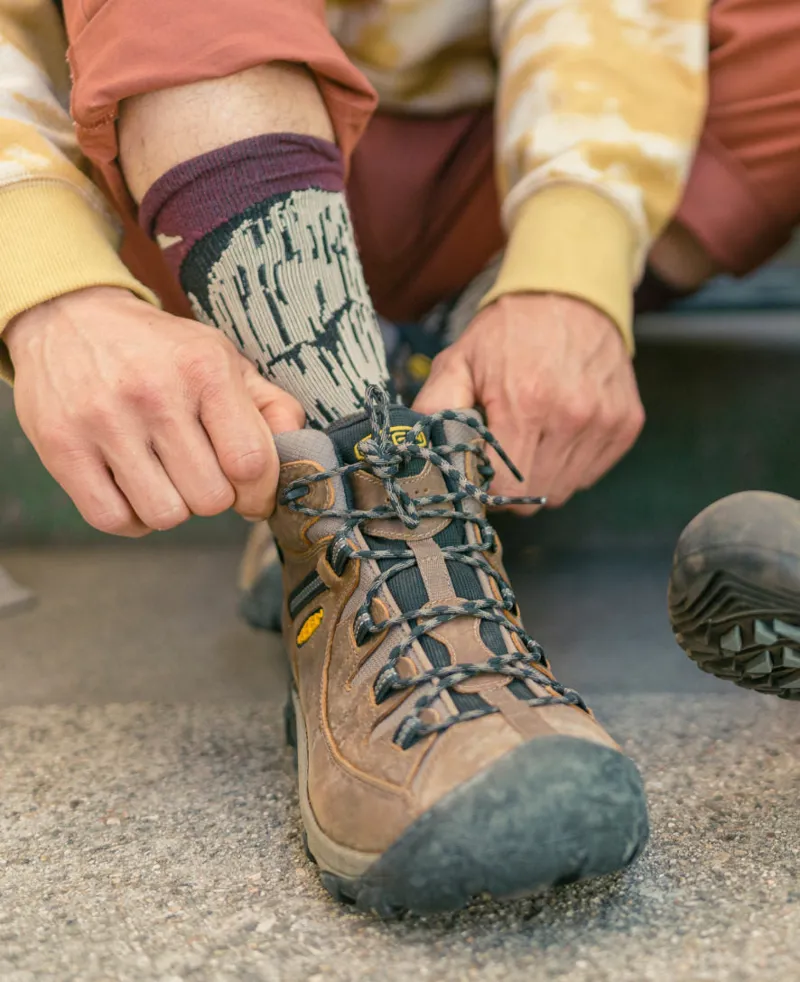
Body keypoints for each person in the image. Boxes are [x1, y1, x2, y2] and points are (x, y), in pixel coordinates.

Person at [1, 0, 798, 914]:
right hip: (164, 133)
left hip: (476, 161)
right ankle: (349, 508)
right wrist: (48, 282)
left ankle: (421, 446)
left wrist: (570, 269)